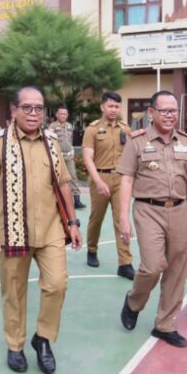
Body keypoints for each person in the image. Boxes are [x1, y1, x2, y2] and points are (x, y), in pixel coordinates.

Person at [0, 86, 82, 374]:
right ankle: (15, 345)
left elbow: (63, 183)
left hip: (50, 229)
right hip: (12, 231)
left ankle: (43, 338)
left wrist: (72, 222)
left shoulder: (51, 141)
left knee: (57, 284)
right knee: (14, 291)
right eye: (27, 108)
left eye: (39, 108)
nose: (34, 113)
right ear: (14, 111)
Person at [117, 90, 187, 348]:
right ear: (151, 113)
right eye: (165, 110)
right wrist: (123, 217)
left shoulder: (186, 142)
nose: (170, 115)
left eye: (174, 111)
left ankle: (165, 325)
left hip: (179, 210)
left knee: (177, 269)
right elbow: (126, 179)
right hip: (148, 209)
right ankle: (134, 301)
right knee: (152, 266)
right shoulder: (136, 142)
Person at [82, 92, 134, 277]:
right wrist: (98, 181)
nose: (113, 110)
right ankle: (92, 249)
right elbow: (88, 158)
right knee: (96, 218)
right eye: (110, 106)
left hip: (121, 180)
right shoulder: (93, 129)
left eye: (117, 106)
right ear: (102, 107)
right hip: (100, 177)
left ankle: (125, 263)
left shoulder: (126, 129)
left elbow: (131, 155)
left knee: (122, 219)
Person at [48, 104, 86, 211]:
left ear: (67, 115)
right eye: (61, 113)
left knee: (73, 176)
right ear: (56, 114)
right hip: (57, 157)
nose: (63, 115)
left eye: (65, 114)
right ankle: (56, 200)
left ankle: (77, 200)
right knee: (56, 178)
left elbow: (70, 139)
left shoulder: (69, 126)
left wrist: (72, 150)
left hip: (68, 156)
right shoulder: (52, 126)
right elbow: (49, 140)